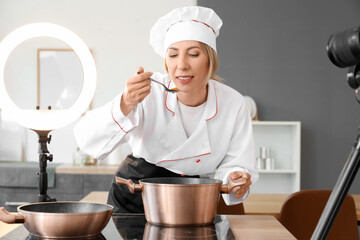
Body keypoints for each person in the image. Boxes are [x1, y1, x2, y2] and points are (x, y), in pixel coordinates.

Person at [74, 6, 258, 213]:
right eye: (172, 55)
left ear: (210, 59)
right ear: (165, 62)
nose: (182, 65)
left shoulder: (232, 102)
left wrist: (235, 178)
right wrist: (126, 103)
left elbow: (237, 162)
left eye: (193, 54)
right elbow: (86, 137)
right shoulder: (148, 91)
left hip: (191, 195)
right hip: (135, 195)